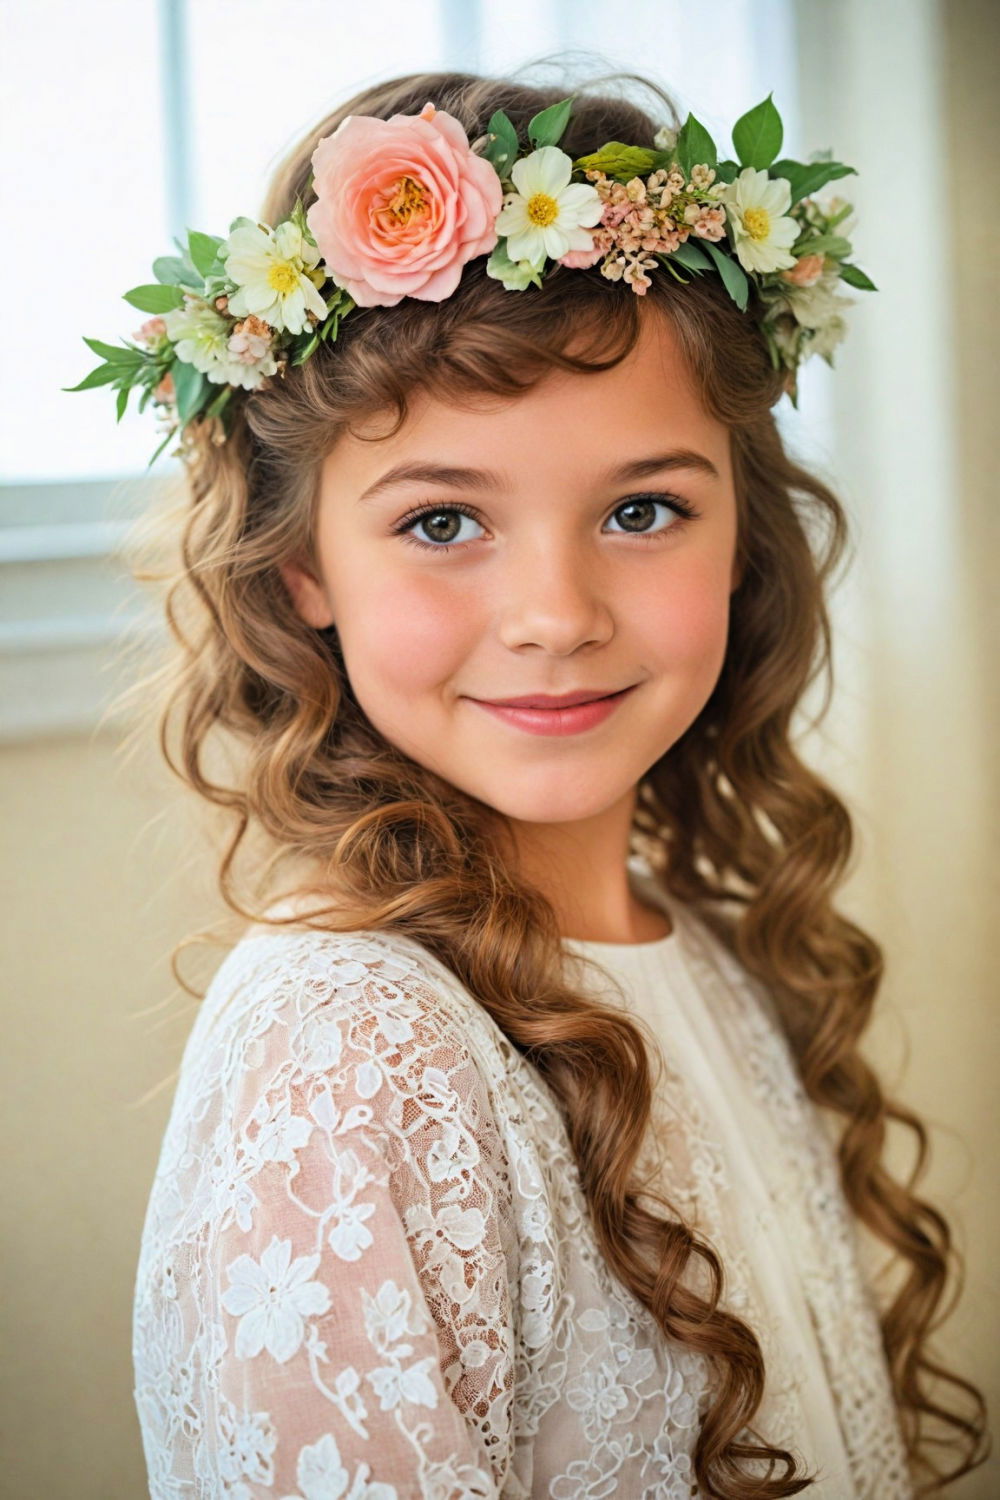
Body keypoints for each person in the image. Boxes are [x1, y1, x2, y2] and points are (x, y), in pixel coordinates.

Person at [91, 66, 989, 1500]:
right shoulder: (355, 1052)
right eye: (445, 518)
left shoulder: (705, 957)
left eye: (643, 509)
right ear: (306, 563)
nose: (556, 612)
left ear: (742, 532)